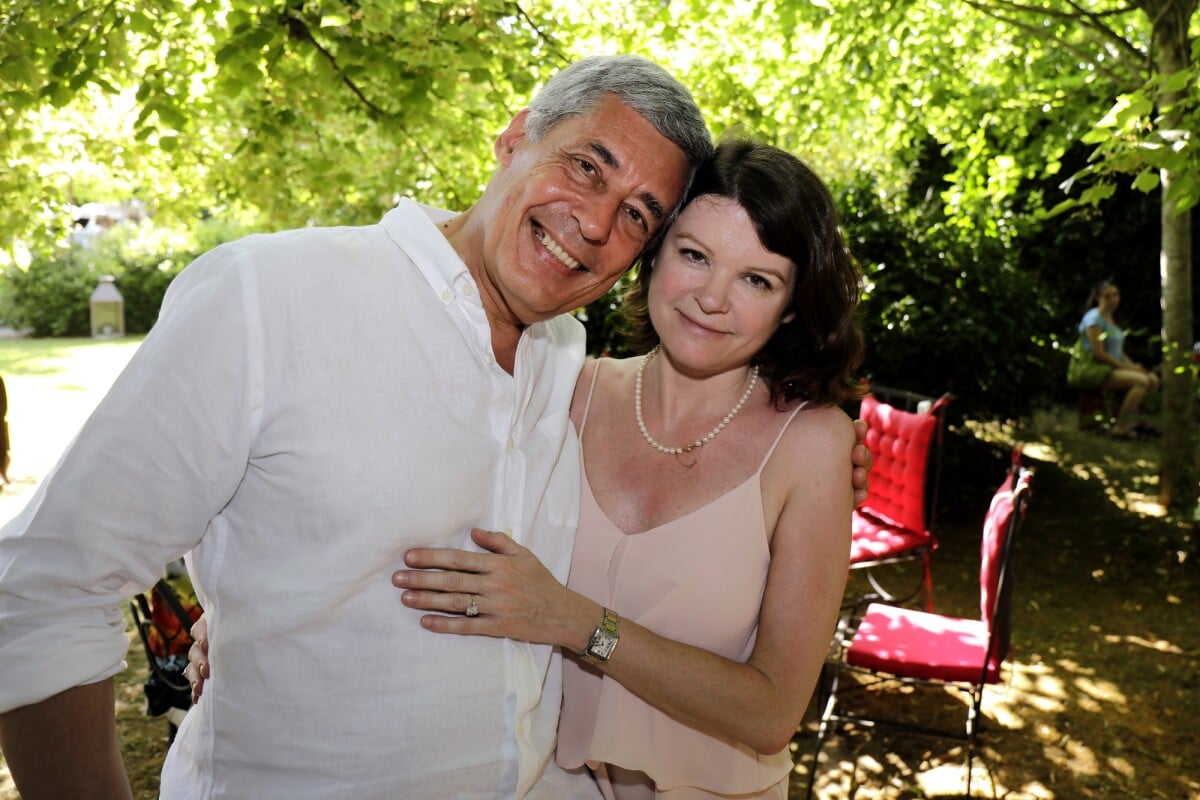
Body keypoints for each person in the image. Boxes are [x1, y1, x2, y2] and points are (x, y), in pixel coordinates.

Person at [0, 55, 870, 799]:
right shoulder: (272, 296)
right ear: (513, 137)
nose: (597, 223)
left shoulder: (559, 362)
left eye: (638, 214)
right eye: (587, 167)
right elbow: (43, 589)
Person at [391, 139, 864, 798]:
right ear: (653, 255)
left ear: (791, 305)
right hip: (539, 781)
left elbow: (771, 714)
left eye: (757, 280)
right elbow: (420, 523)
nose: (712, 298)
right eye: (694, 256)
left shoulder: (813, 446)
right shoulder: (565, 390)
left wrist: (574, 620)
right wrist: (245, 619)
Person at [1078, 279, 1159, 438]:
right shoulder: (1094, 320)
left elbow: (1118, 353)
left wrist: (1134, 367)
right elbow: (1099, 354)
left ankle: (1136, 423)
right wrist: (1129, 369)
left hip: (1113, 368)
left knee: (1153, 379)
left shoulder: (1111, 319)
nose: (1113, 299)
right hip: (1096, 370)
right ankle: (1120, 428)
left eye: (1115, 295)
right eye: (1108, 296)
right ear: (1098, 298)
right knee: (1141, 381)